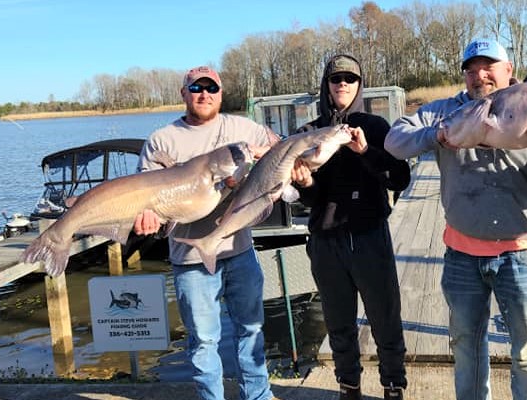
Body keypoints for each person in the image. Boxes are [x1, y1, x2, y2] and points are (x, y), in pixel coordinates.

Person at [384, 39, 527, 400]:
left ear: (509, 69)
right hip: (462, 256)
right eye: (471, 70)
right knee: (467, 348)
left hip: (524, 254)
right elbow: (395, 142)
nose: (479, 76)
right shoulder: (447, 111)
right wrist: (437, 134)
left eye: (488, 67)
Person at [134, 66, 281, 400]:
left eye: (211, 87)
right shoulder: (161, 140)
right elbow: (146, 199)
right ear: (183, 93)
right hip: (189, 258)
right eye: (196, 88)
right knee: (203, 341)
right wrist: (148, 220)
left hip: (240, 249)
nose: (204, 94)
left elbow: (279, 151)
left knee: (251, 329)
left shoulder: (240, 128)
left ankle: (258, 395)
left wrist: (261, 157)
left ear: (221, 92)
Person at [291, 54, 411, 400]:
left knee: (385, 317)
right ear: (325, 86)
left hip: (369, 236)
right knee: (338, 322)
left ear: (360, 85)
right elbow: (309, 201)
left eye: (350, 78)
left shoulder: (376, 127)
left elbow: (400, 178)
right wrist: (304, 183)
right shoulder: (307, 134)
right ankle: (348, 386)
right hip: (326, 241)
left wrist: (366, 152)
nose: (342, 83)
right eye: (335, 78)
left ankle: (393, 385)